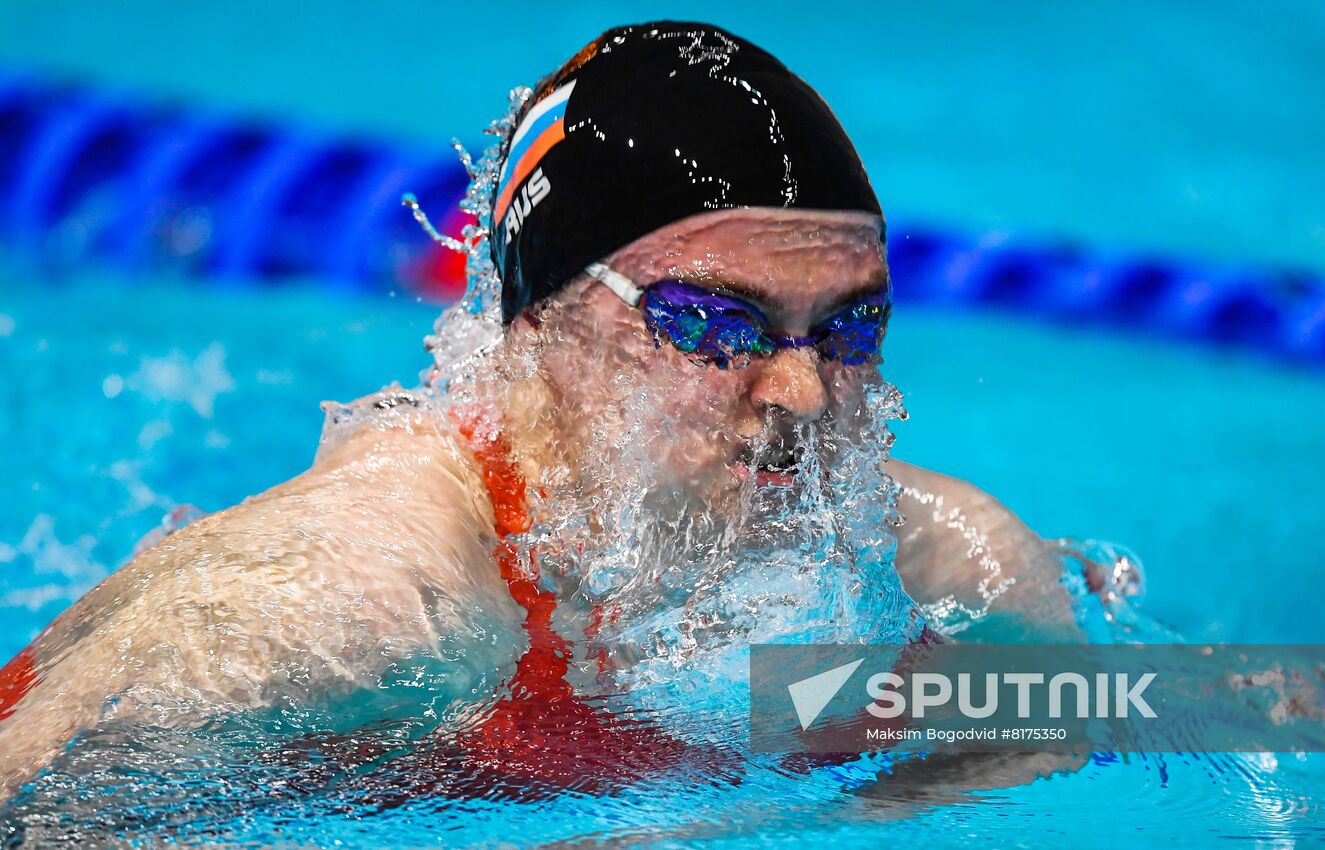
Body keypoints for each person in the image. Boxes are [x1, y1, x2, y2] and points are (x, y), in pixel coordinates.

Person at [0, 21, 1081, 802]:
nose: (801, 393)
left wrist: (779, 822)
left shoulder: (944, 574)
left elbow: (1200, 712)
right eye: (711, 323)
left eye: (846, 328)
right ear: (535, 329)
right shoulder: (366, 610)